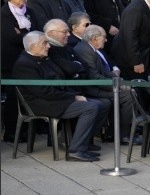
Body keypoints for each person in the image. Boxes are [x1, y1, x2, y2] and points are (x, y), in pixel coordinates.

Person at [12, 31, 110, 162]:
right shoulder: (24, 64)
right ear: (32, 46)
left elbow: (60, 80)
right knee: (90, 107)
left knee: (103, 104)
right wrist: (73, 97)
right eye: (44, 43)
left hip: (56, 98)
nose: (48, 46)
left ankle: (83, 142)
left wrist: (74, 94)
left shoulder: (44, 59)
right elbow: (44, 92)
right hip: (43, 103)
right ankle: (75, 150)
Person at [73, 25, 137, 145]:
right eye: (104, 37)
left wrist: (120, 81)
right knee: (127, 96)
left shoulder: (90, 49)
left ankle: (118, 131)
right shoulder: (85, 51)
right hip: (91, 89)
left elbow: (105, 72)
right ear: (94, 38)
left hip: (97, 85)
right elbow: (95, 78)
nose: (106, 40)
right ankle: (124, 135)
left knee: (128, 92)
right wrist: (118, 86)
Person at [1, 0, 30, 142]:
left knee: (25, 95)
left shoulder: (28, 11)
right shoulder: (4, 13)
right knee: (13, 97)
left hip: (27, 61)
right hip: (10, 62)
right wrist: (27, 35)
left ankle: (26, 128)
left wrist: (23, 33)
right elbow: (13, 37)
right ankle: (11, 131)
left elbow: (36, 31)